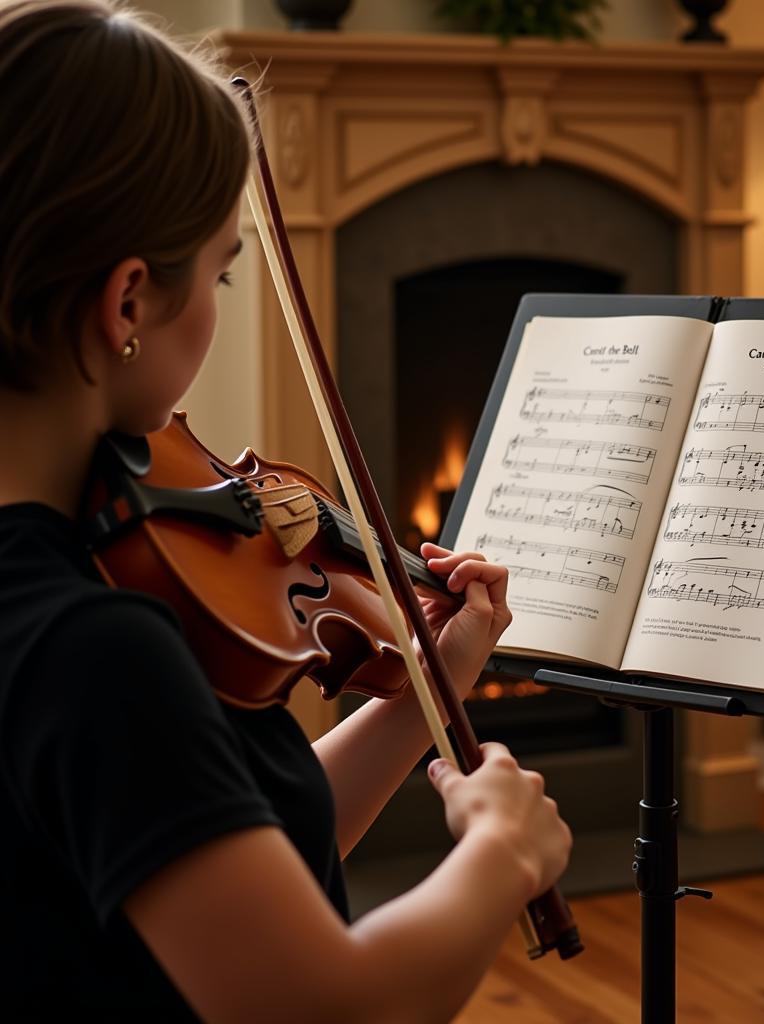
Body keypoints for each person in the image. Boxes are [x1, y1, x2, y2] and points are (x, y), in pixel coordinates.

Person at [0, 1, 572, 1019]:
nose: (220, 297)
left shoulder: (61, 599)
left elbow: (226, 858)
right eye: (220, 269)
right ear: (127, 302)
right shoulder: (87, 640)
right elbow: (320, 1003)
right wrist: (501, 852)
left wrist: (422, 689)